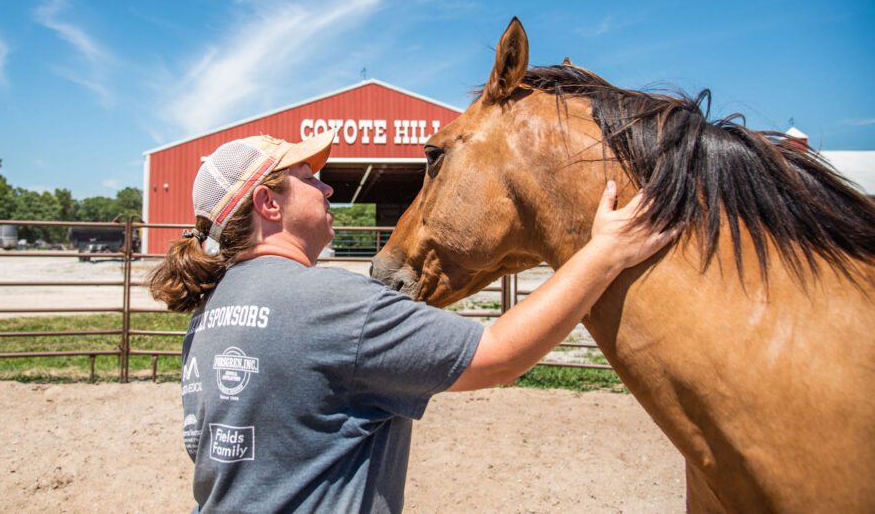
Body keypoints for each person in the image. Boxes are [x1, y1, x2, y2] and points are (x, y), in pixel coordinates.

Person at [148, 130, 673, 513]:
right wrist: (604, 252)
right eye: (309, 179)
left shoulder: (209, 314)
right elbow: (496, 356)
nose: (328, 190)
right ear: (268, 202)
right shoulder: (329, 302)